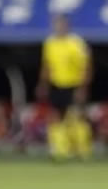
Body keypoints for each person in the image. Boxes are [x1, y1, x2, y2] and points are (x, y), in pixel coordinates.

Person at [36, 14, 92, 160]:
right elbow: (47, 65)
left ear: (67, 26)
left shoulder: (76, 43)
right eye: (56, 25)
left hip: (73, 84)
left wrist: (82, 88)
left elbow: (86, 66)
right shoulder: (50, 43)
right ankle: (60, 151)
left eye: (61, 24)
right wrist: (43, 84)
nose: (58, 27)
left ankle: (82, 151)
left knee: (76, 117)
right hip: (56, 84)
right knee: (55, 117)